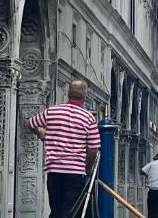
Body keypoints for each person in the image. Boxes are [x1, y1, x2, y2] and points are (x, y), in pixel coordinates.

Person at [28, 79, 101, 218]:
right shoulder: (88, 118)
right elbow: (93, 149)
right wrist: (87, 166)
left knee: (56, 210)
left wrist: (41, 133)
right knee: (70, 212)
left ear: (68, 94)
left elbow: (30, 123)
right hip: (75, 172)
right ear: (85, 97)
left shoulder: (52, 111)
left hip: (54, 169)